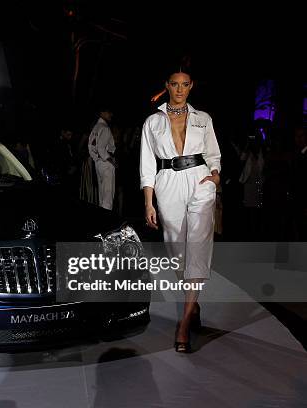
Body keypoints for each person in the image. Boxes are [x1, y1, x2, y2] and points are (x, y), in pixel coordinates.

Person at [139, 68, 221, 353]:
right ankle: (193, 303)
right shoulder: (152, 121)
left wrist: (215, 176)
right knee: (177, 254)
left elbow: (213, 153)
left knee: (197, 248)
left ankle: (184, 324)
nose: (180, 89)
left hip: (199, 181)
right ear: (167, 86)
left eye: (185, 84)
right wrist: (149, 201)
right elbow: (147, 164)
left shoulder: (203, 119)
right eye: (174, 84)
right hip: (167, 183)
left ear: (191, 86)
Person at [88, 107, 116, 210]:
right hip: (106, 163)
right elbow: (101, 148)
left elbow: (90, 146)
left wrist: (95, 158)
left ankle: (101, 220)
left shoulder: (96, 127)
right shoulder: (104, 127)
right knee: (108, 196)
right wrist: (110, 159)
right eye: (109, 112)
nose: (111, 115)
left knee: (102, 195)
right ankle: (107, 222)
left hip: (98, 163)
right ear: (102, 113)